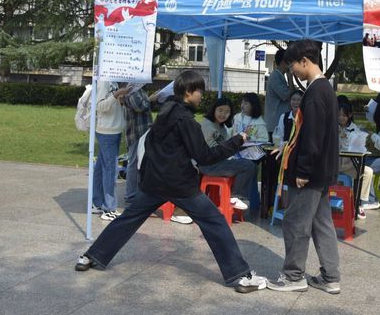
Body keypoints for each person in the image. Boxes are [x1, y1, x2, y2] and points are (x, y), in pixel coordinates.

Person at [74, 70, 268, 294]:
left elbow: (150, 146)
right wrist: (236, 141)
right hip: (180, 186)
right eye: (199, 91)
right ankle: (240, 276)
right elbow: (205, 157)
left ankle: (91, 257)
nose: (202, 96)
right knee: (215, 222)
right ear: (188, 92)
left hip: (154, 183)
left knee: (128, 219)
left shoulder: (165, 113)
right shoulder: (187, 122)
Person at [267, 39, 340, 294]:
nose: (292, 72)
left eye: (293, 67)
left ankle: (293, 276)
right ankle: (330, 276)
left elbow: (313, 137)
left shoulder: (315, 93)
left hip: (310, 173)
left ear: (305, 61)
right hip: (322, 171)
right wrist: (289, 149)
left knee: (296, 222)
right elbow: (309, 135)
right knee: (321, 223)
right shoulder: (324, 89)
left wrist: (303, 170)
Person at [200, 97, 256, 211]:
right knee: (247, 166)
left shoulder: (222, 127)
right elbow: (211, 152)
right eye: (220, 110)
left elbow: (225, 149)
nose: (223, 114)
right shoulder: (206, 125)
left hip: (218, 162)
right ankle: (236, 197)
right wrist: (235, 142)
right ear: (214, 109)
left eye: (227, 112)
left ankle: (241, 199)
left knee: (251, 165)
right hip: (208, 164)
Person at [92, 81, 127, 221]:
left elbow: (111, 105)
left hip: (113, 129)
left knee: (101, 168)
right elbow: (100, 106)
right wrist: (116, 94)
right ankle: (109, 208)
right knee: (110, 170)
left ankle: (97, 203)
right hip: (107, 131)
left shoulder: (113, 79)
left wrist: (120, 99)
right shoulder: (104, 81)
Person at [338, 103, 375, 219]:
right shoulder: (332, 126)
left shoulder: (354, 128)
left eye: (344, 115)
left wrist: (347, 138)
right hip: (335, 162)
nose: (341, 118)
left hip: (349, 162)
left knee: (367, 172)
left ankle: (359, 202)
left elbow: (354, 147)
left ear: (349, 115)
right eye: (339, 115)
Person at [120, 87, 152, 208]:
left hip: (142, 131)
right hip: (136, 133)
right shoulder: (132, 88)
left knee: (140, 163)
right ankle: (131, 196)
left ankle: (138, 194)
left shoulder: (139, 88)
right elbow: (140, 106)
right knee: (134, 163)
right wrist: (151, 99)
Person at [264, 49, 291, 142]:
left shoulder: (279, 76)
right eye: (289, 61)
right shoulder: (275, 77)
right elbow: (287, 96)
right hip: (274, 125)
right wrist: (290, 78)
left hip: (276, 123)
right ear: (283, 62)